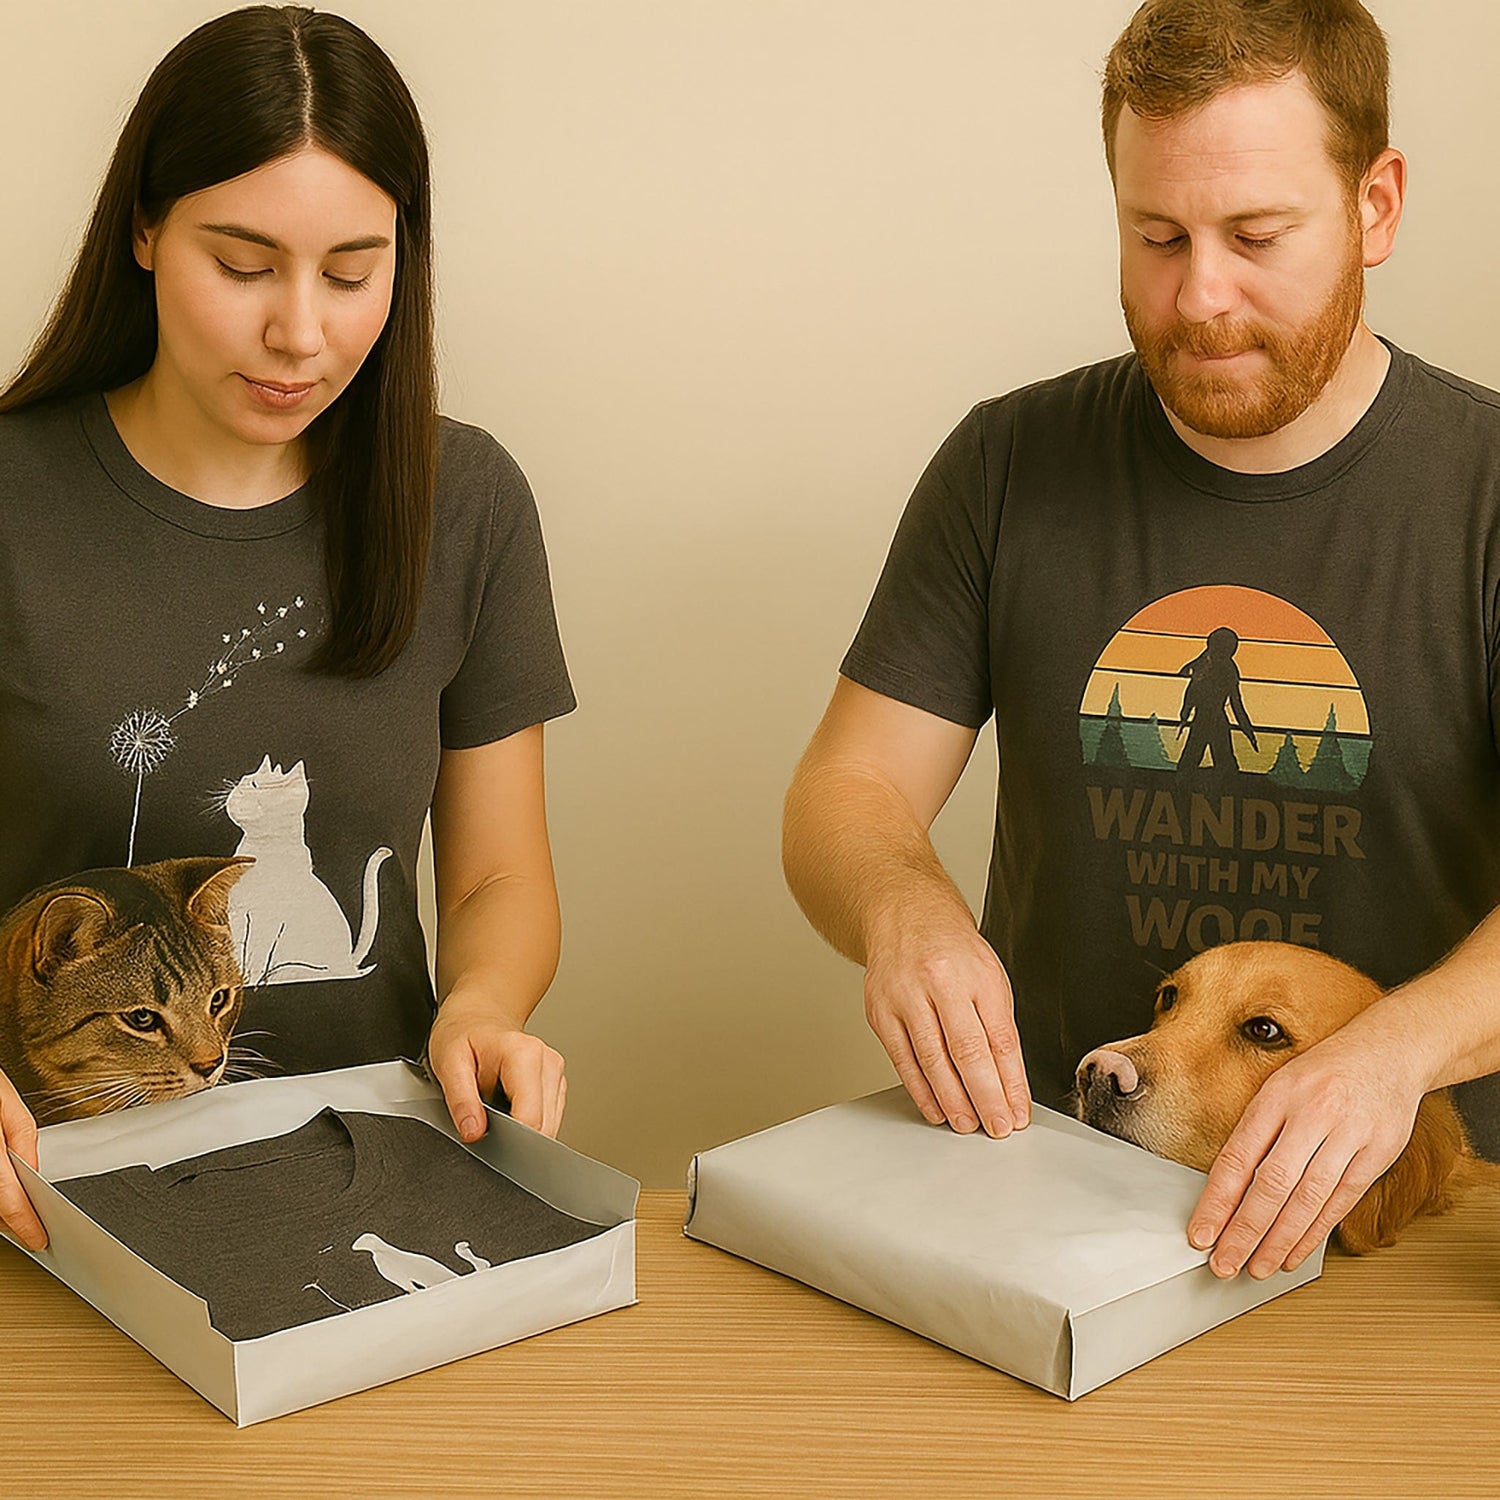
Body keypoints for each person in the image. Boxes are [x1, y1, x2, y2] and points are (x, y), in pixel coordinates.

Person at [783, 0, 1500, 1283]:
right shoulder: (1005, 465)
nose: (1202, 296)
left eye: (1258, 236)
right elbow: (849, 787)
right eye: (1157, 236)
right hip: (1062, 1205)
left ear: (1376, 205)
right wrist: (906, 911)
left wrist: (1392, 1053)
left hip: (1409, 1232)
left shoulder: (1489, 491)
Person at [0, 5, 574, 1251]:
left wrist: (483, 1003)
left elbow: (497, 875)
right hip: (46, 1209)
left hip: (369, 1188)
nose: (301, 333)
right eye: (245, 265)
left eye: (353, 272)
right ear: (145, 230)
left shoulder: (466, 502)